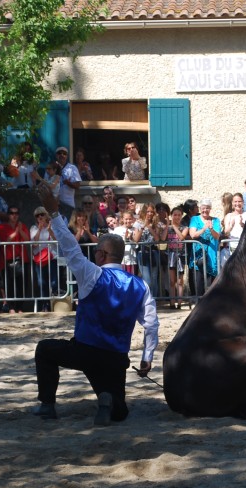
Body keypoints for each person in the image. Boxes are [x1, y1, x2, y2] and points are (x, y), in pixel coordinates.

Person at [32, 180, 159, 426]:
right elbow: (152, 325)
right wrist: (147, 357)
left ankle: (47, 405)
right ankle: (108, 399)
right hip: (115, 357)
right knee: (120, 411)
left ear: (101, 254)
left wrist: (54, 212)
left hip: (86, 351)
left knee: (45, 350)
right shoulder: (140, 285)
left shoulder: (92, 274)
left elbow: (70, 247)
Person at [0, 205, 31, 314]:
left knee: (22, 285)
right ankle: (11, 307)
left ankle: (20, 307)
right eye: (12, 213)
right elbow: (5, 240)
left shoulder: (23, 226)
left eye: (16, 213)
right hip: (7, 260)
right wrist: (16, 232)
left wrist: (20, 231)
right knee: (9, 285)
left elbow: (27, 240)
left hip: (22, 259)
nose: (14, 215)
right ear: (8, 215)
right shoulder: (1, 227)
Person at [189, 199, 221, 295]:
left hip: (211, 256)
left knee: (212, 285)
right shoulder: (194, 219)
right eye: (203, 208)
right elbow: (193, 235)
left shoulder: (215, 220)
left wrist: (211, 228)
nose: (205, 210)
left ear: (210, 209)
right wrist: (204, 228)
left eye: (207, 208)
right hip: (198, 256)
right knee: (199, 284)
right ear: (200, 208)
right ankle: (199, 305)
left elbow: (217, 236)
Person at [30, 206, 58, 312]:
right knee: (42, 282)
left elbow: (57, 240)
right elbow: (34, 244)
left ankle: (55, 304)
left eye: (42, 214)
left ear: (46, 215)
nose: (40, 217)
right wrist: (40, 229)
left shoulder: (53, 226)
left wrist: (50, 230)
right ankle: (45, 305)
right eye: (37, 215)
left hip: (52, 257)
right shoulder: (34, 228)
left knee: (54, 282)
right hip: (40, 259)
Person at [134, 203, 164, 298]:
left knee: (154, 278)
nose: (150, 214)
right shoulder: (138, 223)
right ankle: (147, 299)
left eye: (152, 212)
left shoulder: (157, 223)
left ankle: (154, 299)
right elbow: (136, 239)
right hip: (142, 252)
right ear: (144, 212)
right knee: (147, 279)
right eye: (148, 211)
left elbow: (157, 239)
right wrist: (143, 226)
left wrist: (149, 226)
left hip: (154, 251)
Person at [166, 205, 189, 309]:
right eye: (175, 215)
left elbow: (182, 237)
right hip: (171, 255)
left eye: (179, 215)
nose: (177, 217)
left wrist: (174, 226)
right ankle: (172, 302)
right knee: (172, 281)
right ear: (171, 216)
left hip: (181, 255)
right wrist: (168, 226)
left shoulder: (185, 227)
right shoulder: (168, 228)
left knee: (180, 280)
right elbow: (162, 237)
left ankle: (179, 302)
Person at [52, 146, 81, 219]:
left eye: (64, 153)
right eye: (59, 153)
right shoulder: (51, 168)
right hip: (54, 205)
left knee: (67, 227)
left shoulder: (72, 168)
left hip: (68, 204)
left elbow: (78, 185)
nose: (62, 155)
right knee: (56, 226)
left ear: (67, 156)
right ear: (56, 155)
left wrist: (68, 183)